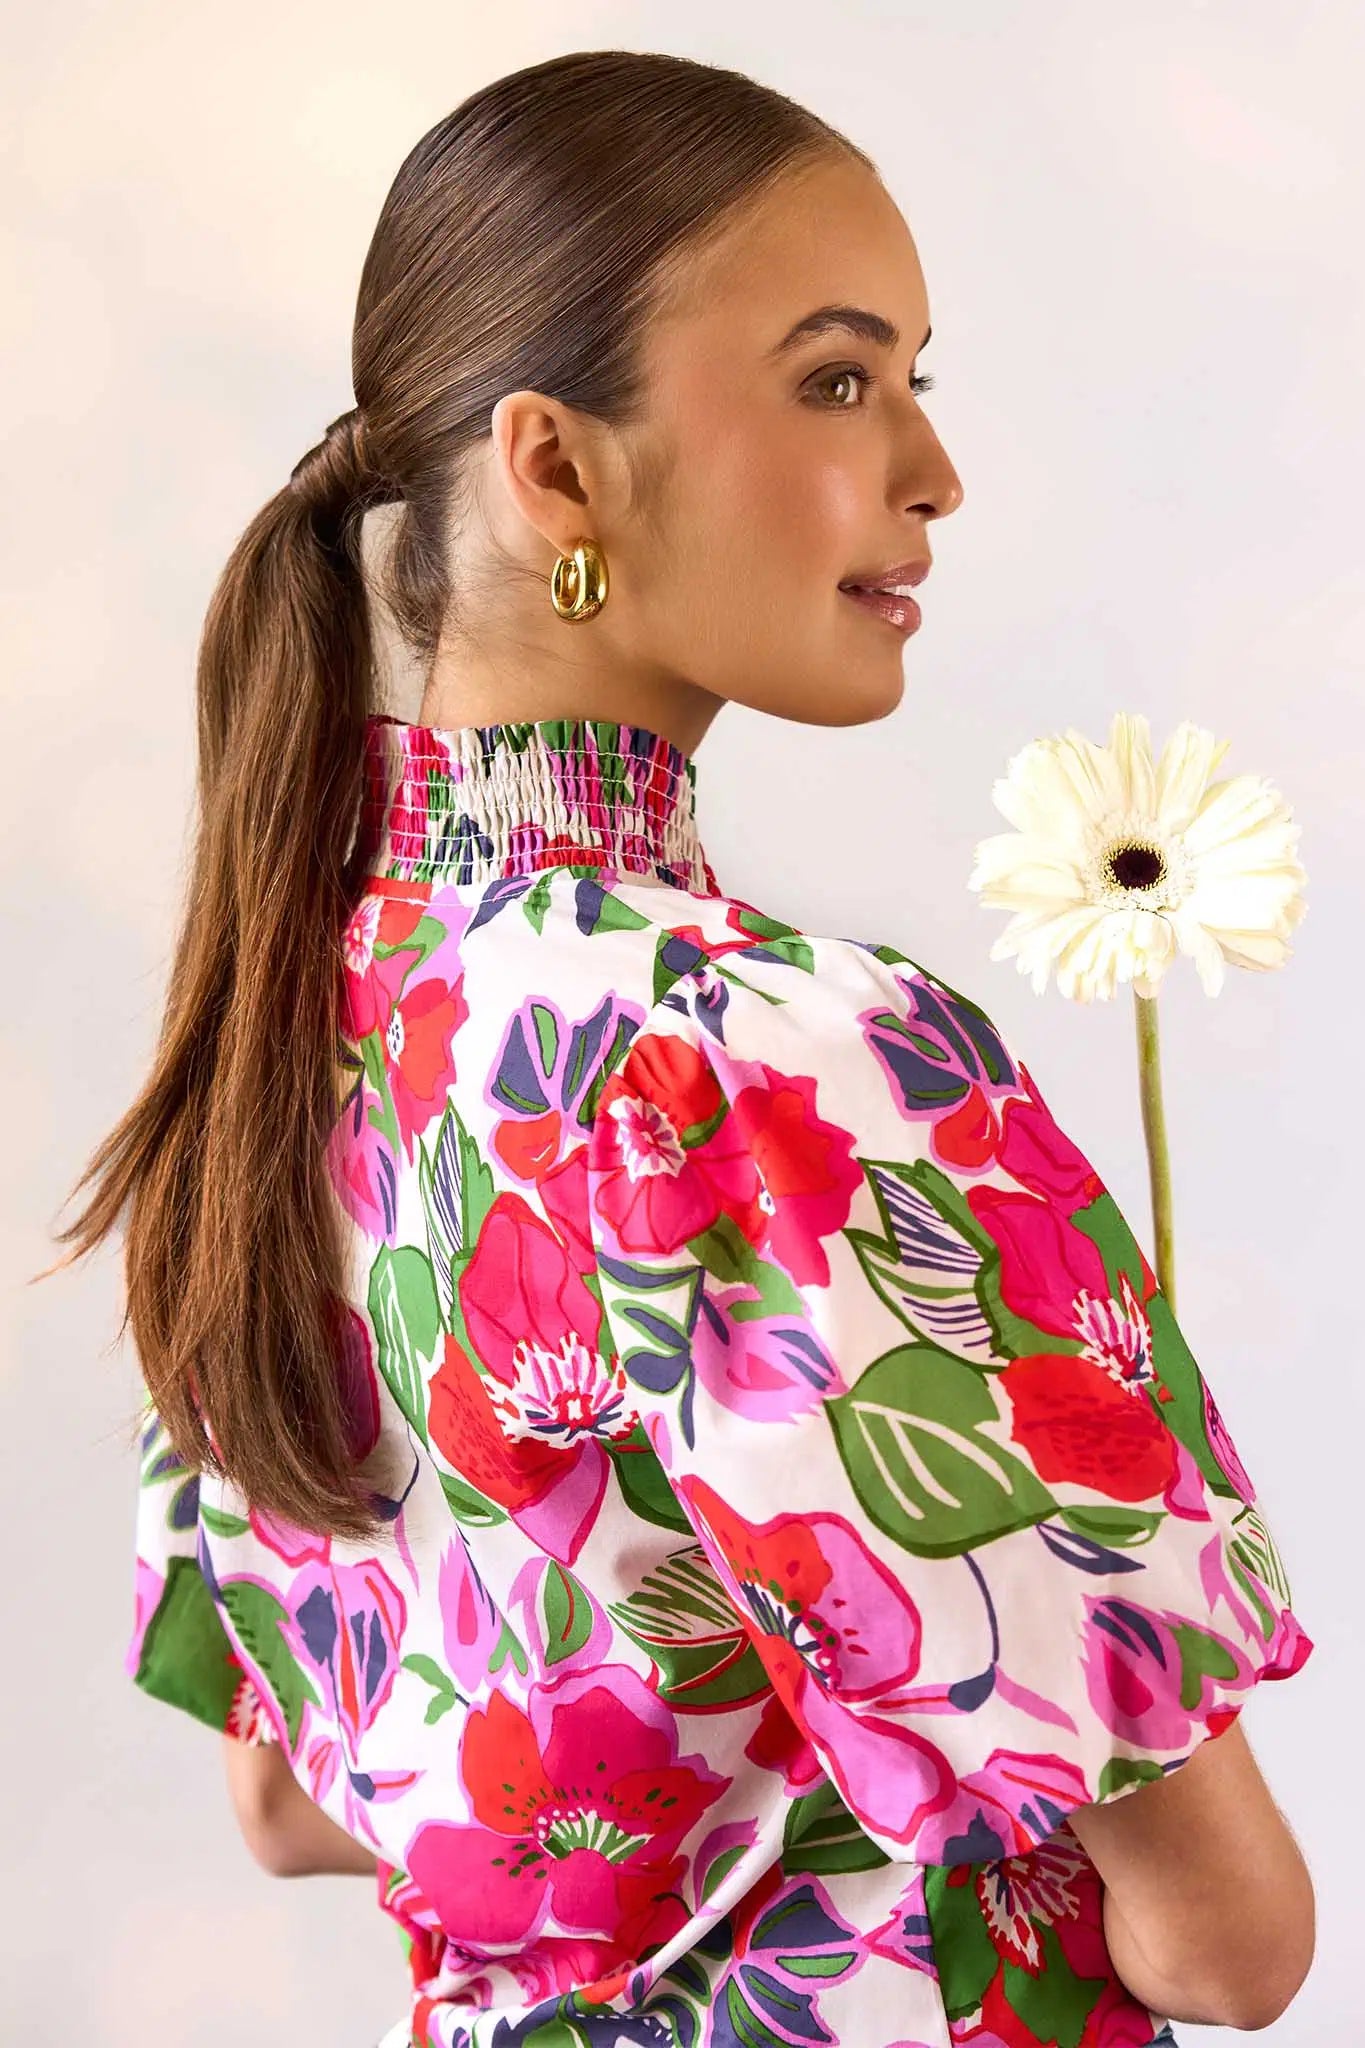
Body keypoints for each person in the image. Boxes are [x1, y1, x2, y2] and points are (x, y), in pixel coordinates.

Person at [46, 48, 1315, 2048]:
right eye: (833, 378)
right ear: (556, 470)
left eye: (916, 372)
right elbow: (1222, 1941)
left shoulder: (295, 1005)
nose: (928, 467)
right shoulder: (770, 1055)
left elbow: (289, 1798)